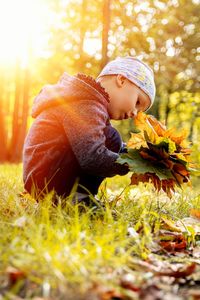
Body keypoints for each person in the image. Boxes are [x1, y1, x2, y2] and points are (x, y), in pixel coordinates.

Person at [22, 56, 156, 206]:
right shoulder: (87, 104)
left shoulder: (88, 102)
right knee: (111, 138)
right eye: (138, 102)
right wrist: (132, 163)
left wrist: (140, 154)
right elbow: (92, 156)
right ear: (122, 80)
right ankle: (76, 198)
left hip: (44, 175)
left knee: (111, 137)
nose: (135, 113)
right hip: (46, 178)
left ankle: (77, 196)